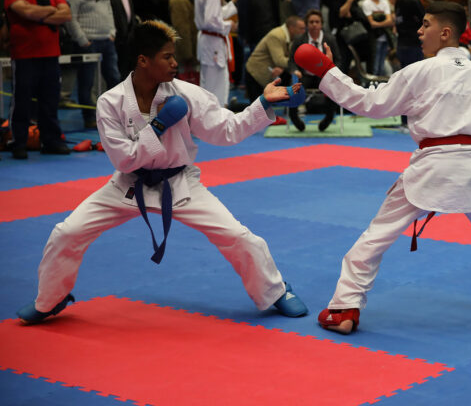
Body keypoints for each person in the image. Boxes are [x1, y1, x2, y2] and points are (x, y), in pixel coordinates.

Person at [294, 1, 471, 335]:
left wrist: (328, 72)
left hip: (431, 168)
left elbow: (369, 103)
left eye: (426, 25)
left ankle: (344, 308)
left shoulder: (420, 71)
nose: (419, 31)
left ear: (445, 33)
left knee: (376, 236)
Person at [15, 20, 308, 325]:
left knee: (237, 236)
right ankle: (50, 299)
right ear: (143, 61)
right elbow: (124, 160)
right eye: (167, 56)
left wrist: (263, 103)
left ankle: (274, 292)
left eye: (173, 55)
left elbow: (226, 129)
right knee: (66, 233)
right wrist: (157, 126)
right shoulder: (111, 102)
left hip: (178, 182)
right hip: (129, 184)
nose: (174, 63)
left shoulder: (186, 94)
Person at [4, 0, 72, 159]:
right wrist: (51, 10)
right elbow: (25, 11)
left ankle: (51, 141)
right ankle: (18, 143)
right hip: (24, 56)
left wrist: (37, 15)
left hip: (51, 55)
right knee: (22, 102)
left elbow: (66, 15)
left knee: (50, 101)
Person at [64, 0, 120, 128]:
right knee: (86, 82)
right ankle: (89, 118)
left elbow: (109, 11)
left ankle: (117, 114)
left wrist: (112, 32)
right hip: (88, 43)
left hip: (107, 40)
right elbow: (69, 18)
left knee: (114, 78)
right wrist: (82, 40)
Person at [195, 0, 242, 105]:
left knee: (210, 84)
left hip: (208, 41)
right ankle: (216, 114)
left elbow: (214, 15)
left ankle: (213, 113)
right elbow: (210, 21)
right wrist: (229, 25)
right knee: (216, 86)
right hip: (212, 43)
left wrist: (231, 1)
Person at [287, 9, 341, 132]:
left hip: (324, 75)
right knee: (293, 86)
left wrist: (332, 71)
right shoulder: (299, 39)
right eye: (311, 22)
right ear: (307, 24)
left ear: (321, 24)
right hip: (304, 75)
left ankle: (328, 118)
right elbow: (291, 61)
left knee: (333, 87)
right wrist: (295, 71)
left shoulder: (330, 39)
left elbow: (338, 60)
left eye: (317, 22)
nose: (314, 24)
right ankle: (294, 118)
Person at [245, 15, 306, 102]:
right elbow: (279, 60)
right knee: (257, 107)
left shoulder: (291, 38)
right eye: (301, 29)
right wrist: (299, 62)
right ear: (292, 28)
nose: (304, 32)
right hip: (256, 75)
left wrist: (284, 67)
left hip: (269, 74)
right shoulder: (276, 35)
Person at [168, 0, 200, 82]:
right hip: (189, 53)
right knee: (189, 84)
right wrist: (188, 55)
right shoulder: (178, 0)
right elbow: (182, 30)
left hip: (198, 48)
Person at [107, 0, 139, 79]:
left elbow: (130, 10)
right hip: (117, 34)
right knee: (117, 67)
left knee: (127, 66)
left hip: (128, 33)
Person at [360, 0, 394, 76]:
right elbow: (372, 23)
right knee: (374, 67)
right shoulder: (366, 3)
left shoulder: (384, 2)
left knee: (381, 67)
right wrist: (383, 21)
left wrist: (378, 21)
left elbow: (390, 21)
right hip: (374, 38)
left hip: (385, 38)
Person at [394, 0, 425, 70]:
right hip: (412, 45)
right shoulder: (412, 0)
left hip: (402, 44)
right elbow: (424, 19)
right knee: (414, 75)